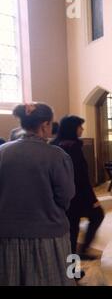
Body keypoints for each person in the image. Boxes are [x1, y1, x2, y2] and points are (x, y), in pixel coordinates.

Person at [0, 103, 76, 285]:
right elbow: (66, 196)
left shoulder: (2, 152)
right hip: (48, 236)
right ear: (44, 125)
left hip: (7, 237)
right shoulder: (57, 156)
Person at [51, 116, 105, 260]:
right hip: (76, 197)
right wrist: (93, 199)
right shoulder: (73, 147)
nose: (82, 129)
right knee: (95, 216)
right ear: (72, 129)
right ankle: (74, 269)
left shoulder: (55, 144)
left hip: (64, 197)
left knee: (72, 232)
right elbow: (81, 177)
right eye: (80, 126)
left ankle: (74, 268)